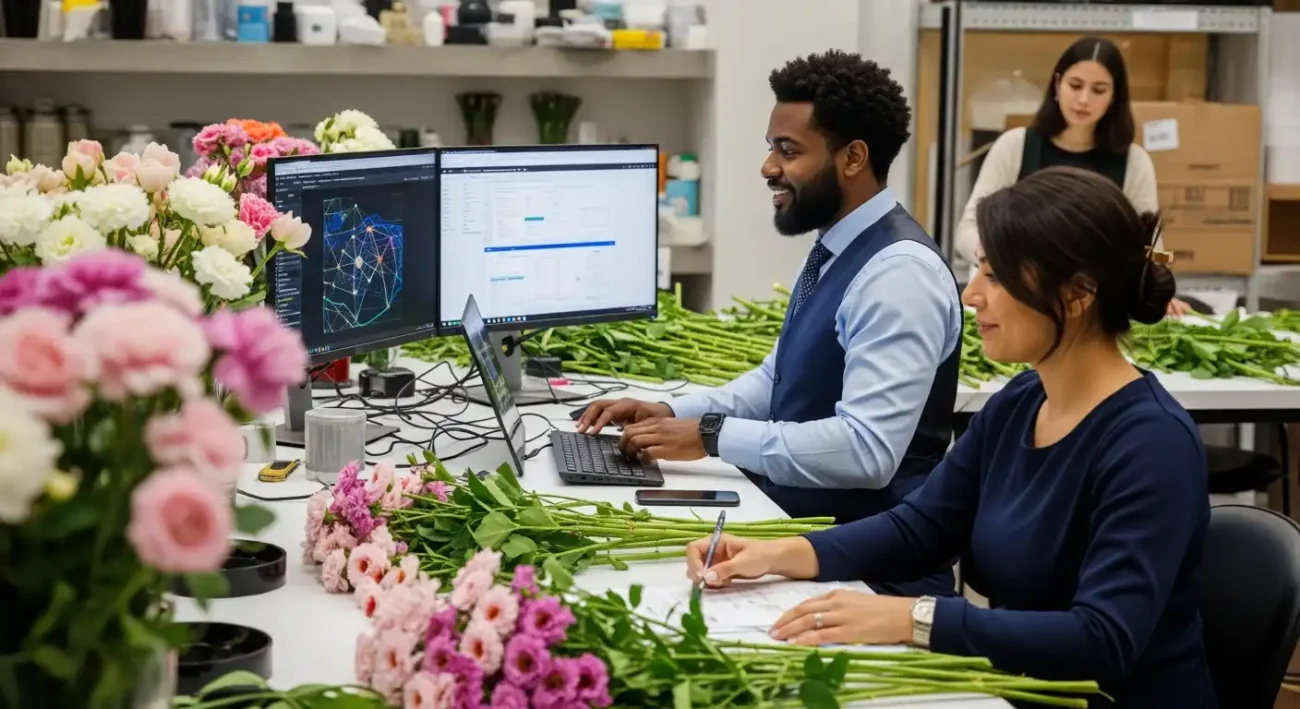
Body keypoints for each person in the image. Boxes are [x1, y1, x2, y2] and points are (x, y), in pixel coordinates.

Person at [685, 167, 1216, 709]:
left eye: (997, 276)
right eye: (977, 269)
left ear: (1077, 294)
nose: (971, 295)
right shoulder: (1022, 402)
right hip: (1011, 690)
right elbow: (921, 528)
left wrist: (913, 618)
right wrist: (780, 552)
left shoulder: (1152, 446)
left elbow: (1103, 640)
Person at [576, 50, 964, 598]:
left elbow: (867, 450)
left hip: (872, 575)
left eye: (789, 150)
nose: (768, 167)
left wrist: (712, 437)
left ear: (853, 157)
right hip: (809, 542)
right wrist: (673, 412)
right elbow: (778, 380)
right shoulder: (837, 247)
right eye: (770, 147)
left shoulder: (899, 274)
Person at [953, 36, 1189, 316]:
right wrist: (1010, 263)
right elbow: (968, 231)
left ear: (1115, 97)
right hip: (1016, 298)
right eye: (1075, 86)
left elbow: (1149, 249)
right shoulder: (1015, 146)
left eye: (1099, 90)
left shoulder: (1134, 162)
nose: (1083, 99)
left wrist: (1154, 290)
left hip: (1096, 307)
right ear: (1056, 85)